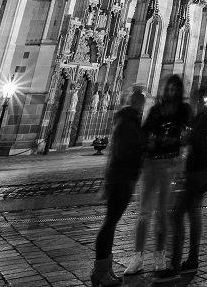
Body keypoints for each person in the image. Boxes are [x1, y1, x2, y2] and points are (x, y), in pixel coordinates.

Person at [125, 75, 191, 275]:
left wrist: (174, 143)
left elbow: (187, 136)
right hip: (150, 165)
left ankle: (160, 255)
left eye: (174, 90)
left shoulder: (183, 111)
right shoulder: (155, 110)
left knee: (162, 213)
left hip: (168, 165)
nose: (171, 93)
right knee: (144, 212)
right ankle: (138, 257)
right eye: (168, 89)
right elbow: (145, 134)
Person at [155, 86, 207, 281]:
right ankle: (192, 259)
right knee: (194, 213)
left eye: (197, 99)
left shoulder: (206, 119)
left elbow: (206, 146)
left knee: (177, 215)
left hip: (197, 173)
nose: (194, 102)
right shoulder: (201, 119)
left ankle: (175, 266)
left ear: (201, 100)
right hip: (199, 172)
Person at [91, 90, 145, 287]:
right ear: (137, 104)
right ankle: (100, 270)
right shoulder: (127, 123)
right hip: (122, 177)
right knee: (110, 222)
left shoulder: (128, 121)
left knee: (111, 222)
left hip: (124, 176)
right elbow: (122, 152)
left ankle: (105, 268)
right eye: (142, 103)